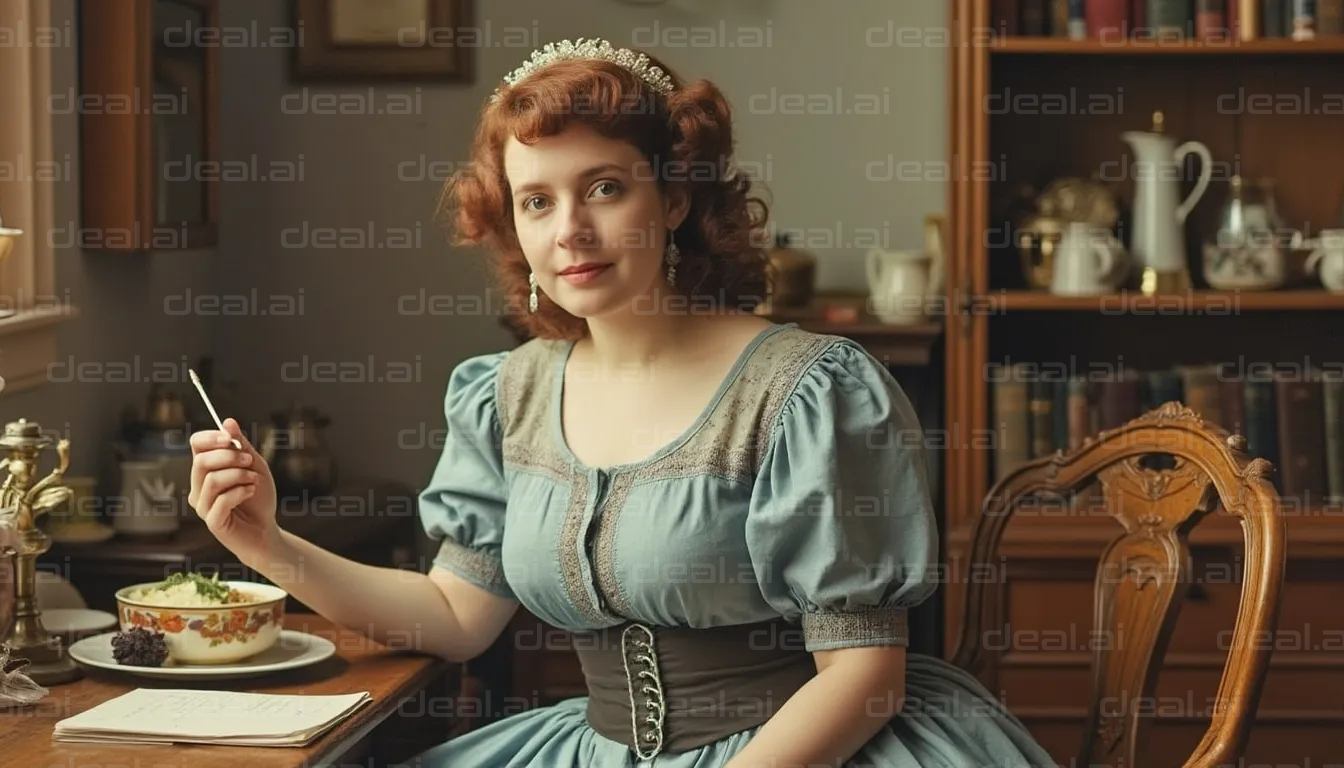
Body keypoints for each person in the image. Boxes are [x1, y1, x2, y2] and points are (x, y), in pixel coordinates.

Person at [188, 38, 1055, 768]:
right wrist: (262, 539)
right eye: (537, 200)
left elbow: (864, 677)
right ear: (514, 229)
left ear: (674, 198)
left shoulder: (807, 390)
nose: (570, 228)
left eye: (604, 187)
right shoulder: (509, 392)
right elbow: (454, 618)